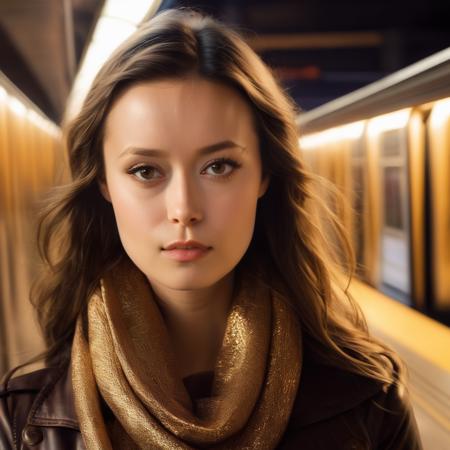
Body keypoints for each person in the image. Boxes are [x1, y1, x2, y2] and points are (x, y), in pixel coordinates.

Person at [0, 8, 422, 450]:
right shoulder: (24, 423)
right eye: (146, 171)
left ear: (264, 175)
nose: (184, 209)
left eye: (218, 166)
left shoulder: (369, 402)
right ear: (104, 183)